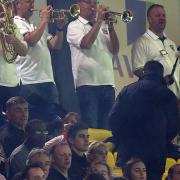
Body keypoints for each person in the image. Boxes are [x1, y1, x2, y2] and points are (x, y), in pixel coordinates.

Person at [109, 61, 180, 180]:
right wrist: (162, 139)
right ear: (161, 74)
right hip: (156, 153)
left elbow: (113, 118)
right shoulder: (169, 95)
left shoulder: (127, 90)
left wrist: (122, 138)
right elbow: (174, 126)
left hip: (129, 151)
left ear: (143, 72)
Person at [13, 0, 68, 124]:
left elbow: (56, 45)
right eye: (28, 2)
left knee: (52, 122)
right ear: (18, 4)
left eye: (32, 2)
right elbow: (31, 41)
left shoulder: (33, 25)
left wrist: (60, 28)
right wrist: (44, 20)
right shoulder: (15, 23)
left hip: (48, 80)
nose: (32, 5)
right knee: (35, 122)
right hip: (30, 81)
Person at [67, 0, 119, 129]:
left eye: (95, 3)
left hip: (108, 83)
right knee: (92, 128)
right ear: (78, 5)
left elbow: (115, 49)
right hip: (87, 85)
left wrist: (110, 26)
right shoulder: (74, 26)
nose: (93, 6)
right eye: (88, 2)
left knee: (108, 129)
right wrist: (99, 21)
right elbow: (86, 44)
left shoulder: (103, 27)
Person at [132, 4, 180, 102]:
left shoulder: (171, 43)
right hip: (157, 97)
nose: (162, 18)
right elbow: (138, 70)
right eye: (158, 15)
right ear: (150, 19)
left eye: (163, 15)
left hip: (176, 96)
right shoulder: (141, 42)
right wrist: (160, 80)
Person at [0, 7, 28, 126]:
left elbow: (24, 51)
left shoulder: (11, 26)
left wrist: (14, 41)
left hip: (13, 82)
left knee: (15, 123)